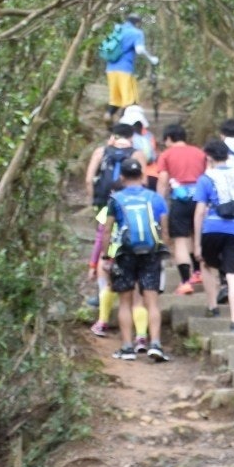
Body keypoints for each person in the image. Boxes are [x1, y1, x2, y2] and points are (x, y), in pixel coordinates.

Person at [102, 160, 169, 362]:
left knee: (125, 301)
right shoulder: (156, 198)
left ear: (121, 178)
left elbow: (107, 230)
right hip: (151, 252)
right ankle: (155, 344)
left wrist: (107, 256)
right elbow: (164, 230)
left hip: (125, 252)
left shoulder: (115, 199)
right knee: (152, 301)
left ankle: (127, 347)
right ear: (142, 177)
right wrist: (163, 250)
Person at [84, 122, 145, 336]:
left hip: (103, 203)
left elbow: (89, 178)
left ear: (113, 135)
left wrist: (94, 201)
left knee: (103, 237)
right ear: (132, 136)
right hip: (132, 207)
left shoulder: (101, 151)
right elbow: (143, 180)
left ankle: (102, 307)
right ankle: (140, 335)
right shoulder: (137, 153)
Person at [193, 138, 234, 333]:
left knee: (206, 263)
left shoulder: (206, 178)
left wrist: (197, 243)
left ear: (209, 157)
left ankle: (213, 307)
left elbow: (199, 211)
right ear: (228, 155)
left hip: (212, 228)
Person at [154, 124, 208, 294]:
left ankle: (185, 281)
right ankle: (198, 272)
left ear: (169, 138)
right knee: (195, 235)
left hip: (180, 200)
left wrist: (158, 203)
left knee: (180, 240)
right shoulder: (200, 153)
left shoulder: (166, 154)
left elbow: (163, 180)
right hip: (200, 199)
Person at [103, 13, 153, 121]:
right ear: (138, 23)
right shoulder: (137, 33)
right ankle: (124, 126)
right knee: (130, 101)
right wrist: (151, 58)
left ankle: (108, 116)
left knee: (115, 100)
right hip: (125, 69)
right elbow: (139, 50)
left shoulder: (118, 30)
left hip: (110, 69)